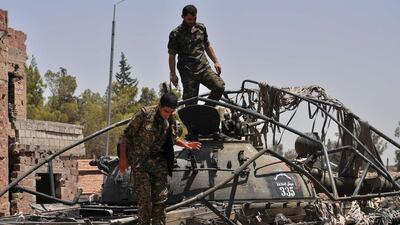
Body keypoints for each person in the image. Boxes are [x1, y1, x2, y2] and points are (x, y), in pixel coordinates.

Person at [118, 93, 202, 225]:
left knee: (160, 200)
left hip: (159, 164)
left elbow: (173, 138)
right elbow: (125, 136)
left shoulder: (171, 119)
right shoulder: (144, 114)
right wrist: (123, 158)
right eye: (165, 111)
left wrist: (185, 143)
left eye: (171, 111)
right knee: (144, 200)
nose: (167, 114)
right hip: (141, 163)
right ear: (159, 106)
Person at [168, 4, 225, 105]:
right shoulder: (176, 33)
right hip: (188, 72)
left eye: (194, 19)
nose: (192, 22)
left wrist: (216, 61)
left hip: (203, 68)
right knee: (191, 103)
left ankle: (205, 111)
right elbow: (172, 55)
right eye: (189, 19)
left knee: (219, 86)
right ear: (183, 17)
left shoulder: (201, 28)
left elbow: (207, 46)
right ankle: (194, 118)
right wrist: (173, 74)